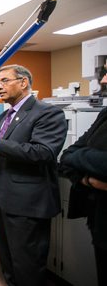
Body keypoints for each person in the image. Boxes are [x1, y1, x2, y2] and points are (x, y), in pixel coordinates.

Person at [0, 64, 67, 286]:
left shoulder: (47, 113)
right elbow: (5, 148)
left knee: (27, 261)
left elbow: (44, 152)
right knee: (6, 253)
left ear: (23, 83)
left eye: (4, 81)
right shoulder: (5, 116)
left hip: (25, 202)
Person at [59, 69, 107, 286]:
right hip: (100, 217)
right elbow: (68, 156)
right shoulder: (104, 114)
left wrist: (82, 157)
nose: (104, 80)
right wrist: (89, 179)